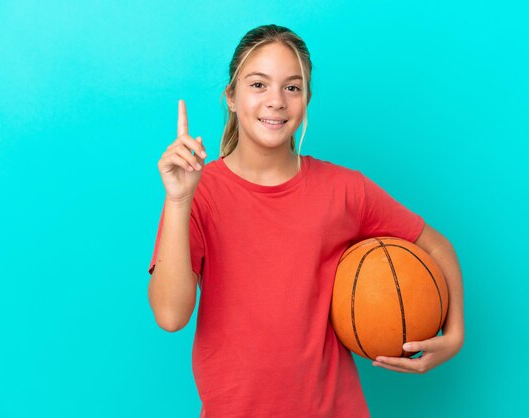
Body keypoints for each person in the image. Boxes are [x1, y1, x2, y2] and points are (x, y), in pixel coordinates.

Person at [147, 24, 465, 418]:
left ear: (307, 99)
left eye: (292, 87)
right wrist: (178, 200)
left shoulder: (345, 190)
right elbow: (170, 315)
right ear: (231, 97)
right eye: (259, 84)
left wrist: (453, 335)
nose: (276, 101)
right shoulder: (198, 193)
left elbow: (437, 246)